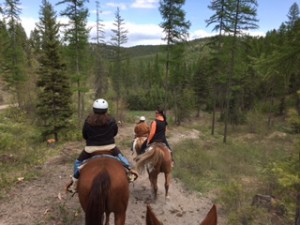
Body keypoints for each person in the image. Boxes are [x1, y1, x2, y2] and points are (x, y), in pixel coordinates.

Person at [66, 98, 138, 193]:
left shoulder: (88, 120)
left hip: (91, 148)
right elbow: (114, 133)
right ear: (106, 109)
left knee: (78, 162)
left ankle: (75, 183)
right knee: (122, 158)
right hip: (110, 147)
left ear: (94, 109)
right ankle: (129, 173)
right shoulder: (111, 120)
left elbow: (84, 135)